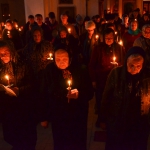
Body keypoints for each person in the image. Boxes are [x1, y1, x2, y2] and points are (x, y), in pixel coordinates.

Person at [40, 44, 94, 150]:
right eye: (58, 59)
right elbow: (43, 94)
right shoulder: (49, 71)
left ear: (70, 58)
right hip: (58, 116)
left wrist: (79, 94)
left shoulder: (80, 69)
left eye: (64, 58)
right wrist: (43, 117)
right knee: (61, 143)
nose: (61, 62)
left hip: (77, 116)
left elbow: (90, 92)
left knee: (77, 143)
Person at [101, 46, 150, 150]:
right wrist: (103, 118)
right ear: (126, 61)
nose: (134, 69)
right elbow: (106, 97)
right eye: (131, 65)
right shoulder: (116, 74)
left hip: (139, 124)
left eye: (138, 66)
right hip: (118, 122)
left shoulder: (147, 77)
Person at [0, 40, 37, 150]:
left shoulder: (23, 64)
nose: (3, 55)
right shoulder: (0, 67)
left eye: (6, 52)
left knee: (26, 139)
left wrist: (19, 90)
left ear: (12, 51)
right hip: (8, 110)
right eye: (0, 53)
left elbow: (33, 85)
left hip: (24, 109)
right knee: (12, 137)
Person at [89, 28, 125, 127]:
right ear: (103, 38)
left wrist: (117, 64)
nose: (109, 40)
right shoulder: (98, 48)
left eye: (111, 38)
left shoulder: (119, 48)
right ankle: (102, 120)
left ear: (114, 38)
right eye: (107, 38)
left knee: (114, 100)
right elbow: (92, 65)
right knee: (101, 100)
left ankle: (113, 120)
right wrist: (93, 80)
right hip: (101, 79)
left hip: (115, 78)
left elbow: (124, 62)